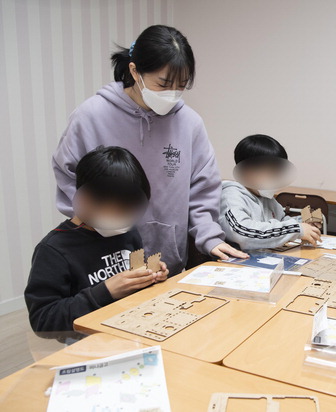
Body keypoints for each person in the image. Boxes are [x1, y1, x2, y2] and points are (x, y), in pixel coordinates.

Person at [52, 25, 246, 276]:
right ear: (135, 71)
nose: (172, 94)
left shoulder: (190, 123)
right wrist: (98, 220)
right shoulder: (91, 116)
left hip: (166, 259)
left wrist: (210, 237)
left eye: (181, 85)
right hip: (104, 256)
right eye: (163, 84)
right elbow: (68, 175)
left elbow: (203, 188)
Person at [25, 147, 169, 332]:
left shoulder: (126, 231)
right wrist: (105, 292)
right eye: (116, 212)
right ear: (86, 200)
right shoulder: (54, 250)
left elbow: (134, 288)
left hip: (131, 328)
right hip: (86, 340)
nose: (123, 220)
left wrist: (149, 277)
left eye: (128, 212)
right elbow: (42, 319)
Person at [219, 134, 322, 250]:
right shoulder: (231, 196)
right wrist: (296, 229)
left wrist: (303, 222)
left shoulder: (265, 196)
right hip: (235, 258)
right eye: (271, 173)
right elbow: (242, 234)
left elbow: (281, 221)